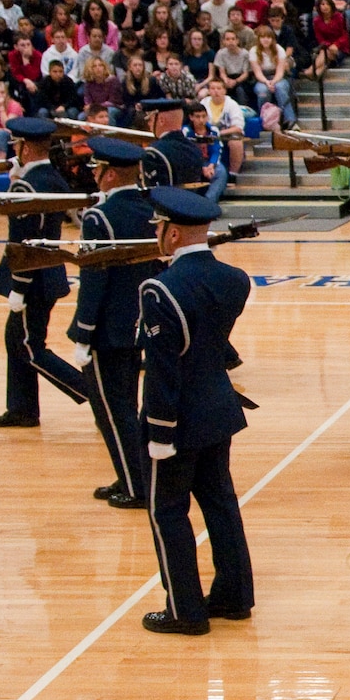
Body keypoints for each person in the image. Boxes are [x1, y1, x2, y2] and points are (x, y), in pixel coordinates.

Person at [139, 186, 256, 636]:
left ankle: (184, 609)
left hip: (178, 419)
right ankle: (234, 596)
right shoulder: (234, 279)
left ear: (169, 234)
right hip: (218, 408)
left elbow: (163, 371)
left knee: (167, 511)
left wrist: (159, 434)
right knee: (220, 504)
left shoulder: (159, 290)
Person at [66, 138, 156, 509]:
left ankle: (135, 486)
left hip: (108, 328)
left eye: (97, 170)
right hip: (139, 321)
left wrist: (83, 331)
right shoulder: (149, 207)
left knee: (113, 413)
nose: (95, 176)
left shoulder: (99, 217)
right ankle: (131, 476)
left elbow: (94, 277)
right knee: (127, 406)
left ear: (110, 174)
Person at [0, 117, 91, 428]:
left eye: (18, 145)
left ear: (26, 148)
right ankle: (22, 408)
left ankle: (95, 394)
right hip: (48, 274)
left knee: (30, 347)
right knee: (16, 338)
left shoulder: (25, 186)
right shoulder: (52, 177)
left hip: (32, 278)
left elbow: (23, 241)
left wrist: (18, 287)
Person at [139, 96, 207, 191]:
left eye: (150, 119)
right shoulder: (195, 149)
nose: (149, 124)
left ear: (161, 120)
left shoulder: (154, 154)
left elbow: (154, 194)